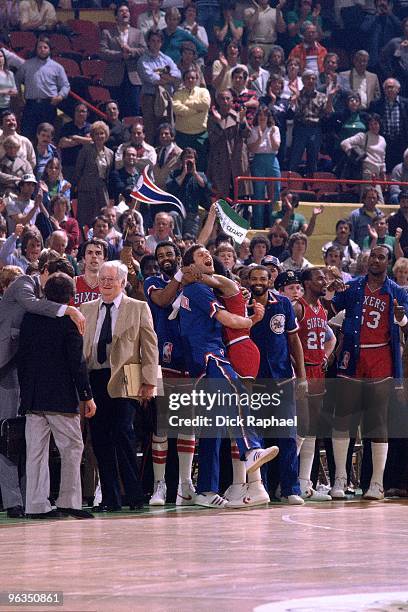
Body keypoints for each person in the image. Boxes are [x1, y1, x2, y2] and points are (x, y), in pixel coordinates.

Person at [179, 245, 279, 508]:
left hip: (199, 358)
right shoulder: (200, 289)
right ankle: (251, 449)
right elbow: (227, 319)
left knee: (213, 425)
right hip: (212, 355)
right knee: (237, 392)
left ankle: (206, 490)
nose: (207, 256)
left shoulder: (197, 288)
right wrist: (253, 319)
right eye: (201, 256)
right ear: (190, 266)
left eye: (207, 255)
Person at [0, 251, 85, 518]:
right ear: (45, 270)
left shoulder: (37, 314)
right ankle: (23, 501)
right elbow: (33, 306)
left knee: (26, 443)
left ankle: (33, 502)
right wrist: (68, 309)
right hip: (4, 366)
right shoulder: (24, 283)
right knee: (7, 438)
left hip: (21, 374)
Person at [330, 245, 408, 500]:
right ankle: (340, 478)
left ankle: (376, 483)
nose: (375, 260)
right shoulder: (352, 286)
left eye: (381, 257)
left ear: (388, 261)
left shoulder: (397, 292)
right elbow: (331, 309)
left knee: (377, 422)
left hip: (381, 358)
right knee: (343, 418)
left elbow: (407, 326)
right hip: (353, 355)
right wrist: (332, 290)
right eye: (372, 256)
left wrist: (401, 319)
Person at [80, 260, 159, 512]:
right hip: (95, 378)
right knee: (100, 439)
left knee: (124, 435)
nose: (105, 283)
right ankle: (111, 499)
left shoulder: (138, 307)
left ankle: (135, 496)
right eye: (102, 279)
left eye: (110, 279)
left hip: (128, 376)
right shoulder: (87, 308)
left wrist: (148, 382)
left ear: (123, 283)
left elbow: (149, 346)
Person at [18, 272, 96, 520]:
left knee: (36, 452)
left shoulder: (28, 319)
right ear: (71, 297)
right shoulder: (70, 321)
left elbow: (22, 359)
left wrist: (26, 392)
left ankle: (36, 504)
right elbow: (77, 362)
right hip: (61, 398)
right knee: (73, 447)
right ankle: (69, 502)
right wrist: (86, 395)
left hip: (32, 397)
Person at [248, 264, 306, 504]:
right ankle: (260, 489)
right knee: (257, 439)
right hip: (253, 381)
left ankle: (291, 488)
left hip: (282, 378)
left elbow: (293, 339)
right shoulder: (242, 303)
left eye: (263, 277)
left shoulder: (283, 303)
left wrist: (301, 376)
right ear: (248, 280)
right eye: (254, 278)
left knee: (287, 436)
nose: (259, 281)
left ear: (270, 280)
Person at [144, 241, 196, 506]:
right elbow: (163, 300)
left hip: (190, 357)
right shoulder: (152, 281)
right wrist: (180, 275)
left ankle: (185, 485)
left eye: (169, 254)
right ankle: (159, 485)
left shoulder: (193, 282)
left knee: (187, 425)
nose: (165, 258)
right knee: (162, 425)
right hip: (162, 361)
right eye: (160, 255)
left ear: (178, 257)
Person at [292, 267, 336, 500]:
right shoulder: (298, 307)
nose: (324, 281)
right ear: (307, 283)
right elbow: (287, 340)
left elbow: (331, 338)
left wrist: (326, 356)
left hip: (318, 371)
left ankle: (304, 483)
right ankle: (289, 482)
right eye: (320, 278)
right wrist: (296, 370)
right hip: (302, 372)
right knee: (301, 428)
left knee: (311, 430)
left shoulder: (321, 309)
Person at [16, 36, 70, 140]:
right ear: (36, 49)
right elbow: (17, 79)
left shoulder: (57, 67)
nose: (42, 50)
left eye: (45, 47)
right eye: (40, 47)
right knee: (27, 137)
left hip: (48, 106)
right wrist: (19, 97)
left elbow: (65, 85)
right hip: (31, 106)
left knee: (46, 138)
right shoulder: (27, 65)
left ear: (49, 49)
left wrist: (60, 96)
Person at [100, 2, 146, 118]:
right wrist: (121, 55)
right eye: (121, 11)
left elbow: (144, 50)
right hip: (114, 77)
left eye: (127, 11)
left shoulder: (138, 33)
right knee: (115, 111)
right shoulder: (108, 33)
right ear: (116, 16)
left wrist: (130, 52)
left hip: (133, 77)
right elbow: (103, 52)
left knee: (133, 109)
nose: (125, 13)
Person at [137, 30, 181, 144]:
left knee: (167, 129)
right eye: (153, 41)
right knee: (151, 131)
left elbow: (177, 75)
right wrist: (167, 78)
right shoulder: (143, 60)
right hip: (150, 98)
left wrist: (161, 77)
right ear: (148, 42)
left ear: (161, 43)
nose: (155, 43)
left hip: (166, 98)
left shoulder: (166, 59)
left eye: (158, 41)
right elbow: (151, 78)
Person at [290, 69, 335, 175]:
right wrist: (294, 97)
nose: (310, 81)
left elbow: (328, 113)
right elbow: (292, 111)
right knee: (295, 158)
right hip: (300, 128)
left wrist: (330, 98)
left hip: (315, 130)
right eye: (308, 78)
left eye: (313, 79)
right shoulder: (297, 94)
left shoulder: (321, 96)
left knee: (313, 159)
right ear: (303, 80)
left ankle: (311, 185)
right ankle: (290, 185)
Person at [207, 90, 250, 199]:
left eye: (227, 99)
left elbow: (246, 134)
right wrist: (220, 121)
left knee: (240, 194)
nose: (225, 101)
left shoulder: (238, 116)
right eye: (222, 99)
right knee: (222, 194)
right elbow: (213, 139)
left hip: (237, 158)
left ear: (232, 101)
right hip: (221, 159)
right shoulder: (212, 118)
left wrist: (242, 121)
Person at [73, 121, 114, 230]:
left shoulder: (110, 153)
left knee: (102, 218)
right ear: (92, 136)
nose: (100, 136)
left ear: (106, 135)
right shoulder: (86, 150)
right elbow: (78, 170)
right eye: (97, 134)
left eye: (102, 133)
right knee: (85, 220)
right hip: (86, 189)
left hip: (101, 190)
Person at [247, 106, 281, 230]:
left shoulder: (274, 129)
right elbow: (252, 149)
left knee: (275, 192)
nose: (262, 117)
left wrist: (270, 136)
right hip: (258, 160)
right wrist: (260, 137)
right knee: (258, 193)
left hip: (271, 160)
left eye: (265, 115)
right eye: (260, 115)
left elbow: (276, 147)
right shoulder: (254, 130)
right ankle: (258, 225)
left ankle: (274, 225)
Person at [166, 147, 211, 236]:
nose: (189, 160)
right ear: (182, 160)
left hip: (192, 213)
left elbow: (206, 187)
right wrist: (184, 173)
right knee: (173, 217)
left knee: (190, 239)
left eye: (191, 157)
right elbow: (171, 187)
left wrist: (194, 173)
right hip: (177, 212)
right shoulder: (174, 174)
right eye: (186, 157)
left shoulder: (200, 175)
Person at [341, 113, 386, 202]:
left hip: (376, 175)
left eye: (376, 123)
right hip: (366, 171)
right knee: (373, 200)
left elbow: (382, 159)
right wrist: (354, 155)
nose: (373, 126)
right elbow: (344, 143)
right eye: (371, 124)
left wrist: (383, 174)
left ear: (380, 124)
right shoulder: (363, 136)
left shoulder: (382, 140)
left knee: (371, 200)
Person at [172, 68, 210, 171]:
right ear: (183, 80)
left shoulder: (204, 92)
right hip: (182, 136)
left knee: (201, 165)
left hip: (200, 135)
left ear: (197, 79)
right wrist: (196, 110)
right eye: (188, 78)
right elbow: (177, 109)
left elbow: (205, 104)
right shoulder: (177, 94)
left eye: (193, 78)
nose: (190, 80)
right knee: (182, 166)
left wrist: (187, 104)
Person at [369, 78, 408, 172]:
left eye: (391, 87)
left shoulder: (406, 103)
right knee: (385, 169)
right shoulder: (376, 104)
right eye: (386, 88)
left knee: (401, 169)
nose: (389, 90)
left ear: (398, 89)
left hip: (401, 142)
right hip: (383, 142)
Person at [359, 0, 402, 72]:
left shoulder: (392, 18)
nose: (382, 2)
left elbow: (401, 28)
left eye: (384, 0)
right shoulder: (370, 17)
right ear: (375, 4)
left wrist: (389, 13)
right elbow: (364, 29)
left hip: (389, 58)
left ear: (388, 4)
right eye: (379, 0)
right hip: (374, 56)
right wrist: (377, 14)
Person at [58, 103, 92, 183]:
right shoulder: (67, 127)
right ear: (74, 113)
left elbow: (92, 142)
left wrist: (75, 138)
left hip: (86, 166)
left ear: (87, 114)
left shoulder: (91, 127)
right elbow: (62, 143)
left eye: (83, 111)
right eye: (78, 111)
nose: (80, 113)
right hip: (69, 166)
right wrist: (84, 140)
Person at [71, 238, 107, 307]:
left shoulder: (110, 286)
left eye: (98, 253)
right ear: (83, 259)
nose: (94, 256)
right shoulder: (72, 283)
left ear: (105, 259)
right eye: (90, 252)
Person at [153, 123, 182, 189]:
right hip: (156, 190)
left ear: (172, 136)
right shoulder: (155, 151)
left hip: (170, 191)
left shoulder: (179, 154)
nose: (163, 136)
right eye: (161, 134)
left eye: (166, 134)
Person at [0, 49, 17, 113]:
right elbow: (8, 91)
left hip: (8, 106)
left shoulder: (10, 74)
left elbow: (15, 90)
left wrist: (13, 92)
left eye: (1, 56)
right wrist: (5, 91)